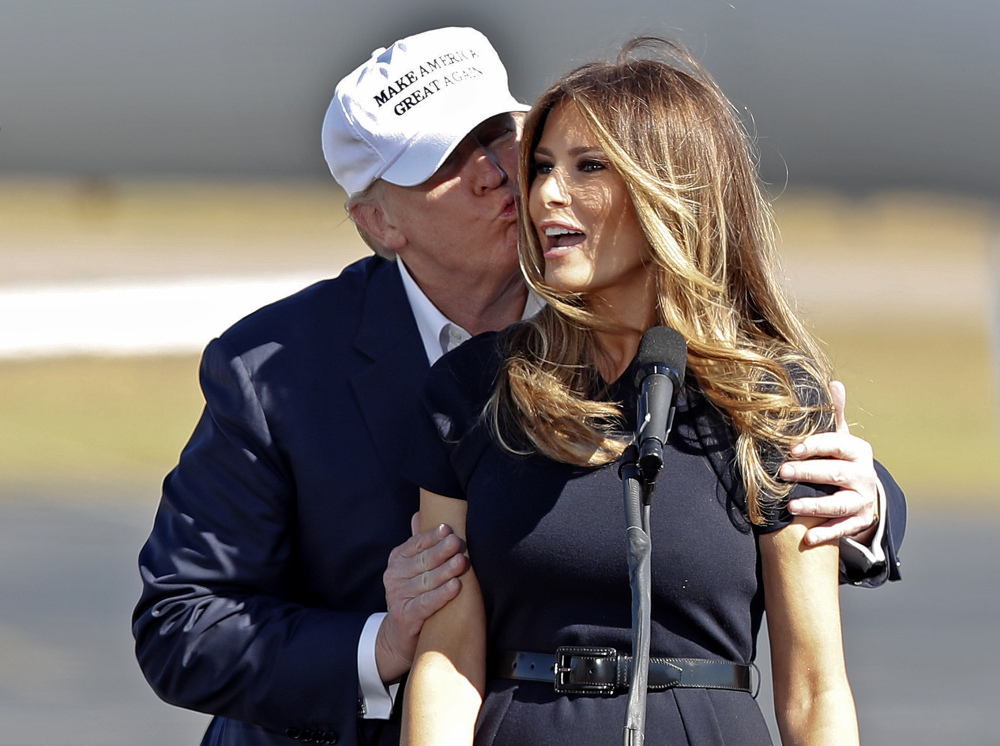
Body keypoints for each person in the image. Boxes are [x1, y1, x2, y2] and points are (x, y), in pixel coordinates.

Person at [133, 27, 901, 746]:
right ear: (379, 224)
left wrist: (864, 507)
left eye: (502, 136)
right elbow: (181, 623)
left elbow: (759, 474)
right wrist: (383, 643)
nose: (499, 173)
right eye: (444, 161)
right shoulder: (275, 371)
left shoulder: (610, 296)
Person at [401, 39, 878, 745]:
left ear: (670, 190)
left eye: (588, 167)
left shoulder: (772, 399)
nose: (545, 195)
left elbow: (814, 689)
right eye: (541, 168)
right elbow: (447, 663)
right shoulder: (472, 390)